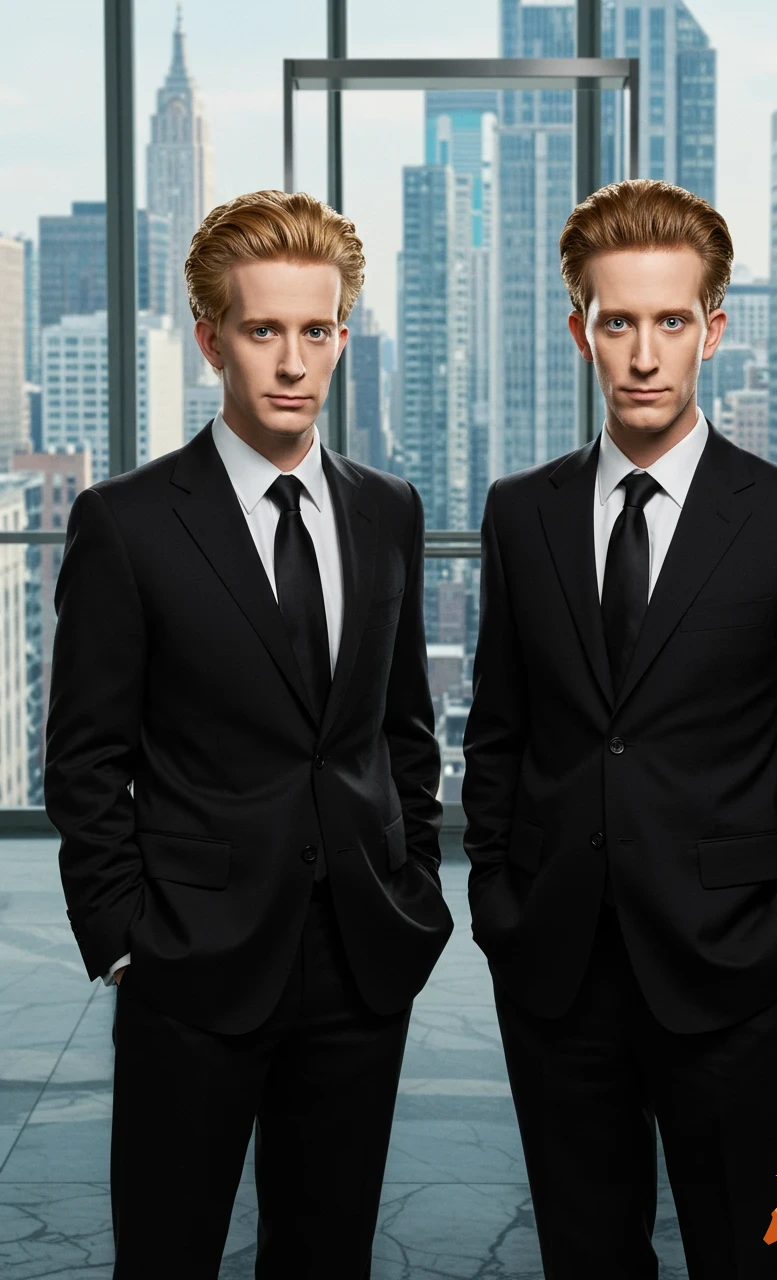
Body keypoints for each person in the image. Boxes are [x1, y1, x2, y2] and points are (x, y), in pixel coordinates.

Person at [45, 188, 453, 1280]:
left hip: (360, 956)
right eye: (264, 330)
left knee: (328, 1256)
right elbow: (85, 757)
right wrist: (123, 939)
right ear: (210, 339)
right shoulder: (126, 522)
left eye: (316, 331)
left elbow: (402, 728)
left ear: (343, 338)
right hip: (190, 958)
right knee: (166, 1255)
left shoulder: (388, 508)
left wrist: (411, 885)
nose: (292, 362)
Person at [462, 178, 777, 1279]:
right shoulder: (520, 511)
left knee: (761, 1250)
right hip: (556, 965)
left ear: (713, 330)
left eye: (671, 321)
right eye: (618, 323)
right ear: (579, 331)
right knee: (584, 1256)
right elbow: (497, 729)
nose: (644, 355)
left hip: (736, 963)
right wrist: (497, 902)